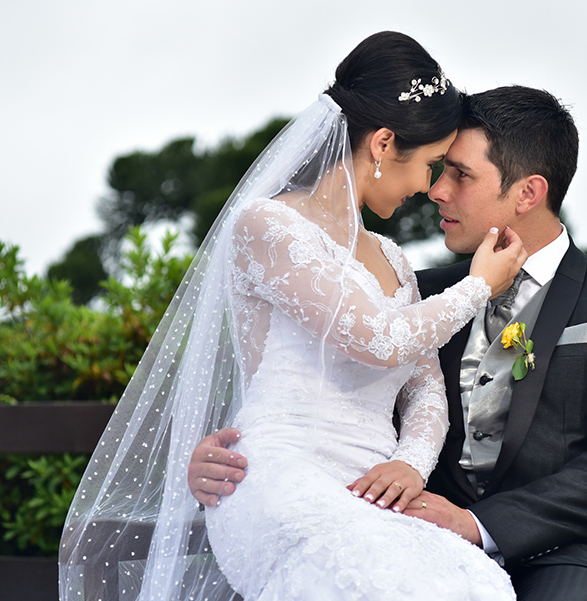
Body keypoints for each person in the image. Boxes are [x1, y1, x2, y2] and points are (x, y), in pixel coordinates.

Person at [59, 32, 524, 601]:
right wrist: (479, 285)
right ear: (382, 144)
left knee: (473, 583)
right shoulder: (267, 227)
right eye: (430, 165)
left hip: (369, 489)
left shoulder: (394, 259)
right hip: (279, 475)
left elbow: (424, 387)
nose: (429, 188)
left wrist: (409, 465)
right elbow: (378, 341)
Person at [191, 86, 587, 600]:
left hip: (571, 552)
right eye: (439, 168)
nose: (436, 190)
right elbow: (331, 383)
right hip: (412, 539)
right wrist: (230, 452)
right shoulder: (417, 292)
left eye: (460, 174)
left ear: (528, 193)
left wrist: (477, 524)